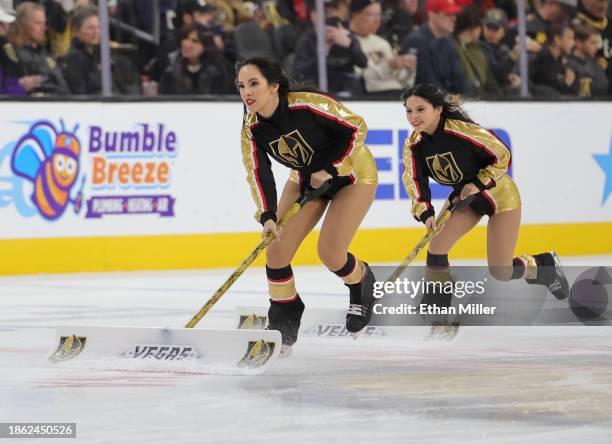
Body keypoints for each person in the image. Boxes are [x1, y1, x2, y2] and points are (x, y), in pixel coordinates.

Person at [236, 56, 378, 352]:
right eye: (241, 86)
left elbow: (357, 128)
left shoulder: (307, 104)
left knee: (329, 253)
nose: (247, 92)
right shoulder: (252, 128)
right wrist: (268, 216)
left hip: (352, 175)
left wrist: (329, 166)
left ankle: (361, 280)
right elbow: (258, 173)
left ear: (274, 86)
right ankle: (286, 313)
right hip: (305, 178)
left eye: (254, 83)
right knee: (276, 252)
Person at [401, 83, 569, 312]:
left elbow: (502, 154)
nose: (414, 117)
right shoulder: (413, 144)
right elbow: (414, 181)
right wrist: (426, 213)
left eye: (421, 109)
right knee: (437, 245)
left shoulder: (461, 130)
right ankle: (437, 304)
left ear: (438, 109)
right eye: (409, 111)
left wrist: (478, 184)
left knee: (501, 271)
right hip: (466, 199)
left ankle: (543, 265)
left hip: (500, 197)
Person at [59, 5, 140, 95]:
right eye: (91, 28)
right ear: (76, 31)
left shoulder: (104, 56)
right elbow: (79, 95)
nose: (96, 32)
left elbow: (119, 89)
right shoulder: (72, 60)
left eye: (98, 27)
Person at [292, 0, 367, 96]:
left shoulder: (347, 36)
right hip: (317, 92)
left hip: (348, 91)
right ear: (313, 15)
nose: (328, 16)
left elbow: (363, 63)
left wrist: (349, 45)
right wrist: (323, 51)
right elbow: (300, 73)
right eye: (324, 12)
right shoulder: (306, 40)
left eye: (332, 11)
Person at [349, 0, 416, 96]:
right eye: (370, 15)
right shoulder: (347, 42)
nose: (377, 20)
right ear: (355, 15)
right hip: (370, 97)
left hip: (397, 94)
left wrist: (409, 69)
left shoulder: (382, 43)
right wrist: (389, 66)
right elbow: (362, 80)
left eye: (378, 15)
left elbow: (402, 81)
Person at [400, 0, 467, 93]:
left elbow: (459, 78)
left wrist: (470, 99)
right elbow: (426, 82)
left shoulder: (448, 43)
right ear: (432, 15)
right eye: (448, 14)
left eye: (454, 14)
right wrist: (452, 101)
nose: (454, 18)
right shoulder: (416, 41)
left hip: (442, 102)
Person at [6, 1, 69, 95]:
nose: (44, 28)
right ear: (23, 25)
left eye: (44, 23)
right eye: (38, 23)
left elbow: (64, 89)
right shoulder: (13, 55)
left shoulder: (46, 54)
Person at [159, 23, 233, 94]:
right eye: (185, 38)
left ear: (205, 46)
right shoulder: (171, 69)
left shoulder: (218, 71)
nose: (187, 44)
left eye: (194, 41)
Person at [451, 5, 502, 97]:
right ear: (474, 26)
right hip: (464, 98)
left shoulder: (477, 49)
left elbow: (490, 80)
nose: (481, 30)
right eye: (481, 26)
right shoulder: (451, 47)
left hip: (483, 98)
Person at [530, 21, 578, 96]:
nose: (573, 43)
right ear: (557, 39)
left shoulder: (561, 61)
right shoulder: (543, 60)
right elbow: (549, 94)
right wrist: (567, 83)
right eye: (570, 38)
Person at [566, 23, 608, 96]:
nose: (596, 47)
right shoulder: (568, 64)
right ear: (578, 42)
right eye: (592, 43)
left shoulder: (596, 64)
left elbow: (604, 85)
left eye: (596, 43)